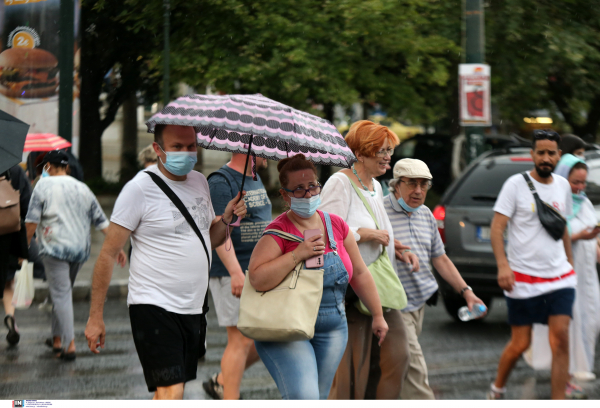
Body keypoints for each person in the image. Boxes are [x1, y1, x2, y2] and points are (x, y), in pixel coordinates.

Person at [84, 124, 247, 400]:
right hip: (153, 305)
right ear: (158, 149)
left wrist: (228, 218)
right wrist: (95, 317)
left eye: (191, 146)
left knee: (169, 390)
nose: (186, 153)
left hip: (193, 307)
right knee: (173, 390)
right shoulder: (138, 189)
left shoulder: (199, 182)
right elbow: (108, 253)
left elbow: (211, 238)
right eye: (177, 147)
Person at [248, 154, 389, 400]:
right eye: (299, 189)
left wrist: (377, 315)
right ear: (284, 195)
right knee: (304, 397)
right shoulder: (277, 232)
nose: (308, 194)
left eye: (312, 185)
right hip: (287, 326)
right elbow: (258, 278)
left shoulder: (336, 224)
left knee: (318, 397)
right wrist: (298, 254)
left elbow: (360, 273)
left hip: (333, 327)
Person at [320, 120, 413, 399]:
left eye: (390, 150)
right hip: (351, 290)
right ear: (360, 153)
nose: (388, 157)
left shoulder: (376, 186)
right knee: (352, 373)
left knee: (397, 357)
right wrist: (364, 235)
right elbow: (327, 234)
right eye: (381, 151)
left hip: (380, 285)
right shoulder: (340, 182)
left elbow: (377, 229)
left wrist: (393, 245)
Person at [385, 159, 487, 399]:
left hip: (419, 303)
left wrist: (466, 292)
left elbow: (440, 259)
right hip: (393, 305)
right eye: (412, 184)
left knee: (394, 369)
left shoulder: (426, 214)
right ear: (396, 185)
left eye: (424, 184)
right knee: (414, 367)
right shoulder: (380, 212)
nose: (419, 191)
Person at [488, 129, 575, 400]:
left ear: (559, 155)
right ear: (533, 154)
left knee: (560, 339)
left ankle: (558, 399)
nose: (546, 158)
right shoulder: (515, 184)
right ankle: (497, 388)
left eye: (551, 153)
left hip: (560, 277)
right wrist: (503, 266)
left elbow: (563, 228)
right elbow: (496, 228)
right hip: (523, 279)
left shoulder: (563, 185)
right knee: (520, 343)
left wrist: (570, 265)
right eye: (541, 152)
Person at [23, 151, 126, 360]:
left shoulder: (42, 186)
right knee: (60, 292)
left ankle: (69, 345)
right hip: (79, 251)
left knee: (61, 294)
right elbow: (101, 221)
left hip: (54, 249)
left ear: (48, 167)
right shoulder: (83, 188)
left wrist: (23, 248)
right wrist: (119, 247)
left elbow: (31, 221)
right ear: (67, 167)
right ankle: (57, 339)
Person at [526, 154, 600, 396]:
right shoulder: (554, 201)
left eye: (583, 183)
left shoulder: (585, 202)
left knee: (590, 321)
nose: (579, 187)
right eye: (575, 182)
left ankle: (579, 368)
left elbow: (591, 229)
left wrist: (596, 242)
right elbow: (556, 232)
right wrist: (581, 236)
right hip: (565, 275)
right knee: (568, 327)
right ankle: (566, 376)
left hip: (588, 276)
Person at [203, 153, 272, 400]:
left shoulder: (253, 178)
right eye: (263, 144)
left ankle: (222, 381)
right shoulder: (222, 181)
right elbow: (217, 232)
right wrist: (234, 272)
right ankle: (229, 397)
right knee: (240, 340)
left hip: (255, 270)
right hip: (232, 272)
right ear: (247, 145)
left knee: (265, 336)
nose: (270, 152)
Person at [1, 164, 31, 345]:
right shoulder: (15, 170)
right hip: (9, 233)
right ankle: (10, 317)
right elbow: (27, 202)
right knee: (8, 280)